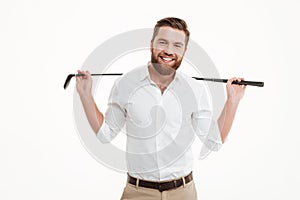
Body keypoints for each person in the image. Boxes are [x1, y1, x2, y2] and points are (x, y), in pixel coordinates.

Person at [75, 17, 246, 200]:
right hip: (138, 193)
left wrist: (233, 101)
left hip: (183, 193)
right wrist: (85, 95)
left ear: (184, 51)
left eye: (177, 45)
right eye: (162, 42)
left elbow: (214, 141)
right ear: (151, 44)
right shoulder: (125, 84)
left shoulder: (195, 90)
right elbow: (105, 134)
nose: (168, 51)